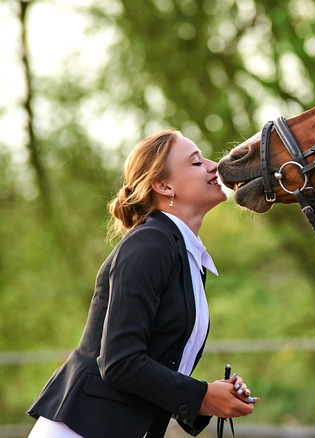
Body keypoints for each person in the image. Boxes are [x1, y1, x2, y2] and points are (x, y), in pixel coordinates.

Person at [26, 129, 256, 438]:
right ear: (164, 186)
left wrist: (210, 398)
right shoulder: (150, 243)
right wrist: (201, 396)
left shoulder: (183, 253)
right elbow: (120, 362)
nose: (214, 165)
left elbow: (156, 365)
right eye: (196, 162)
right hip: (81, 430)